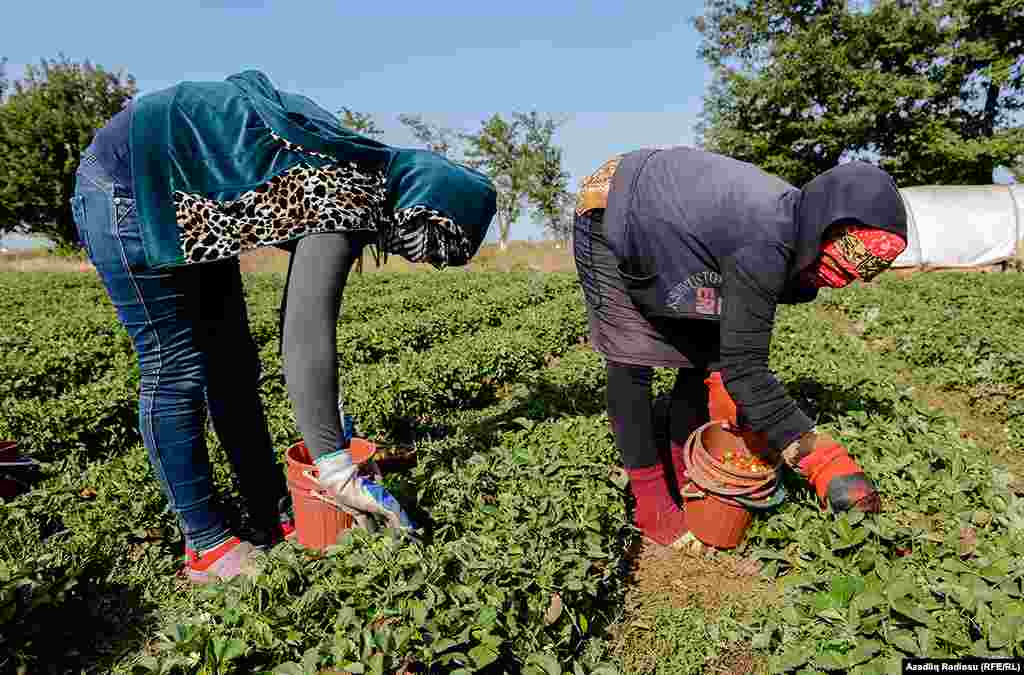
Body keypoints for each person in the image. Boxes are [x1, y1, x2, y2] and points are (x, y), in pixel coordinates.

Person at [71, 70, 497, 583]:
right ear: (417, 209)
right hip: (130, 185)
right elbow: (305, 332)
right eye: (421, 246)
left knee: (233, 364)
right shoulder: (348, 192)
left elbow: (311, 323)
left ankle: (271, 509)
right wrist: (336, 465)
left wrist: (332, 426)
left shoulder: (364, 168)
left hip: (191, 197)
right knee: (177, 370)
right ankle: (206, 545)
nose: (413, 257)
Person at [572, 147, 908, 548]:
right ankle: (651, 501)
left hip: (682, 230)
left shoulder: (796, 228)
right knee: (631, 360)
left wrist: (730, 393)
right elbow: (745, 369)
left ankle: (686, 470)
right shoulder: (765, 237)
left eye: (849, 276)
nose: (837, 280)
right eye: (835, 266)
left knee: (700, 351)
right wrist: (823, 461)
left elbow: (730, 356)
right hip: (615, 207)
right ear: (826, 225)